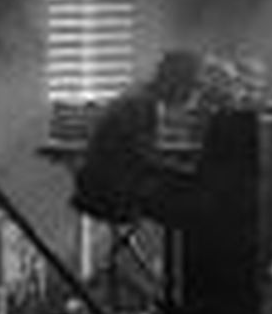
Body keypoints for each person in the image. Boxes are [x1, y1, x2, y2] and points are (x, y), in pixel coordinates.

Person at [72, 48, 218, 227]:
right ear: (176, 81)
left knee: (191, 193)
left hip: (102, 185)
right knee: (197, 203)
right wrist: (184, 170)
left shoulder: (142, 97)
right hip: (111, 191)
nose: (195, 94)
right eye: (193, 86)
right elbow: (142, 158)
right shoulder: (142, 104)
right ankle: (184, 253)